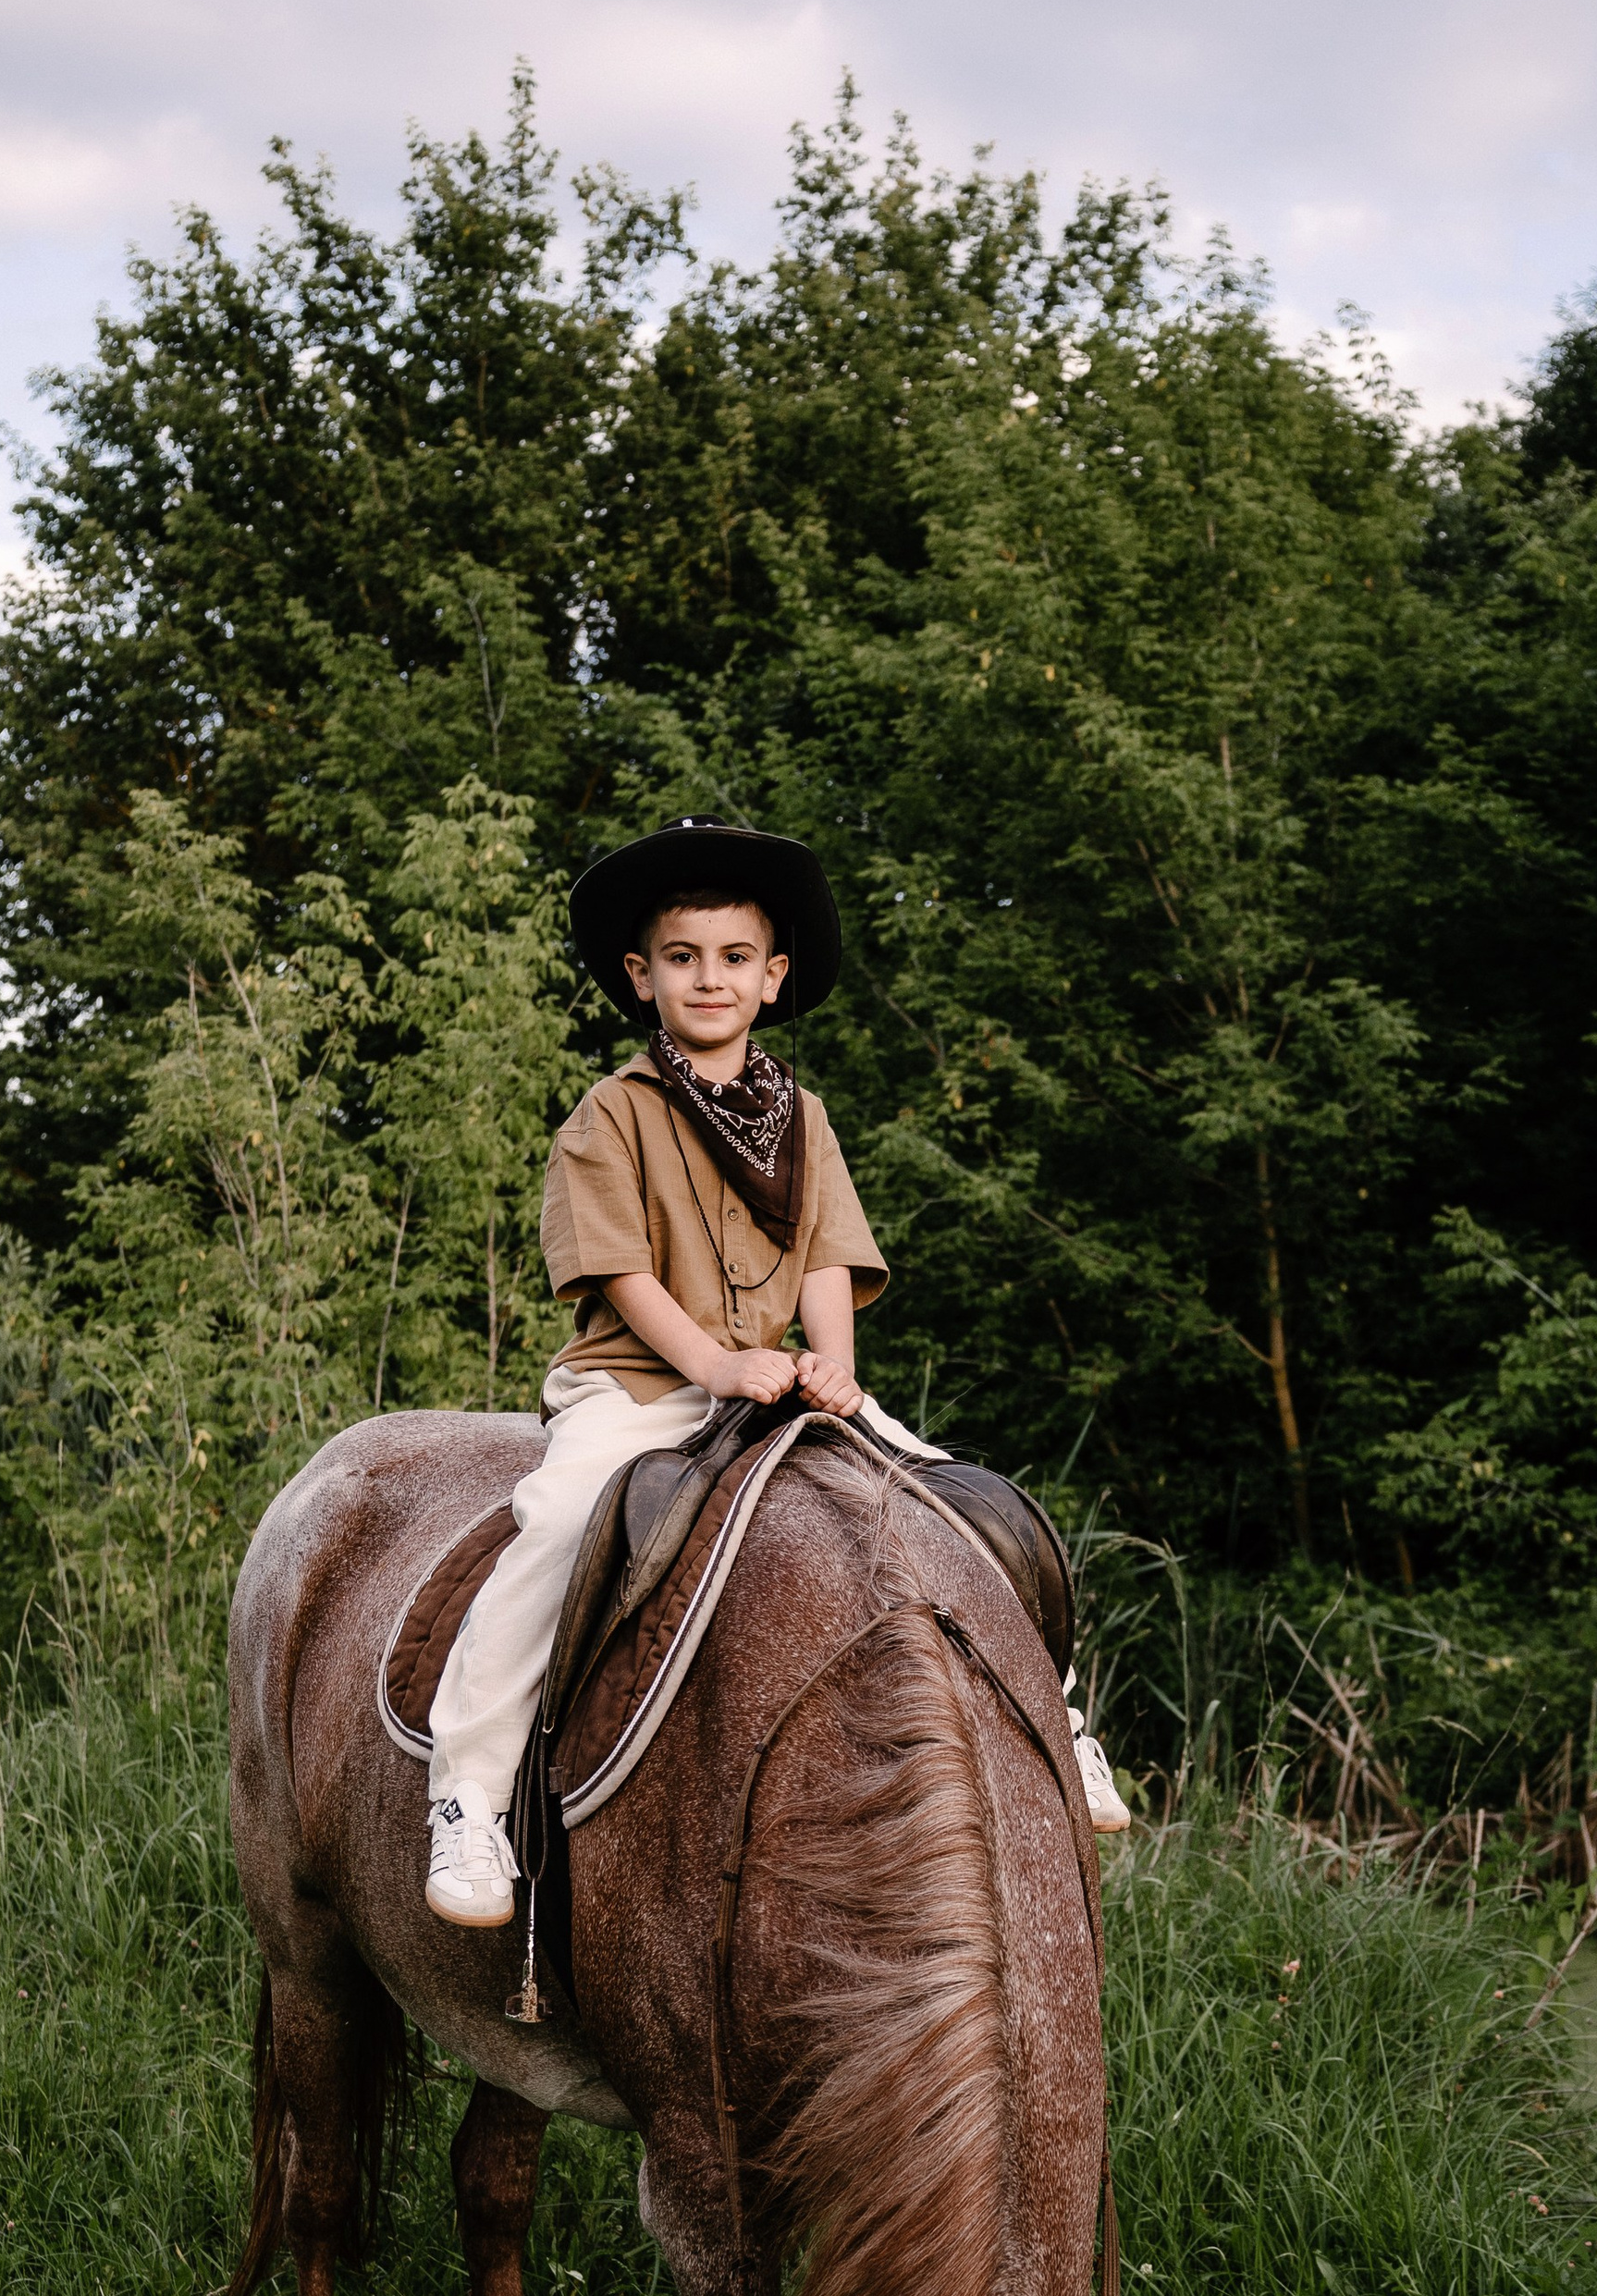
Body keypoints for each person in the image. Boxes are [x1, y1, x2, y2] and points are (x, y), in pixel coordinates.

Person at [424, 816, 1128, 1925]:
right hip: (644, 1385)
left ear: (773, 976)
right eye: (684, 957)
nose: (711, 978)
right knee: (559, 1522)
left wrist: (836, 1374)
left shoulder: (801, 1115)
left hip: (786, 1378)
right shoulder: (613, 1113)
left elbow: (829, 1259)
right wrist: (718, 1362)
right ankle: (466, 1791)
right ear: (640, 975)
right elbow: (621, 1276)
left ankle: (1060, 1721)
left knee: (966, 1506)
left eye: (736, 957)